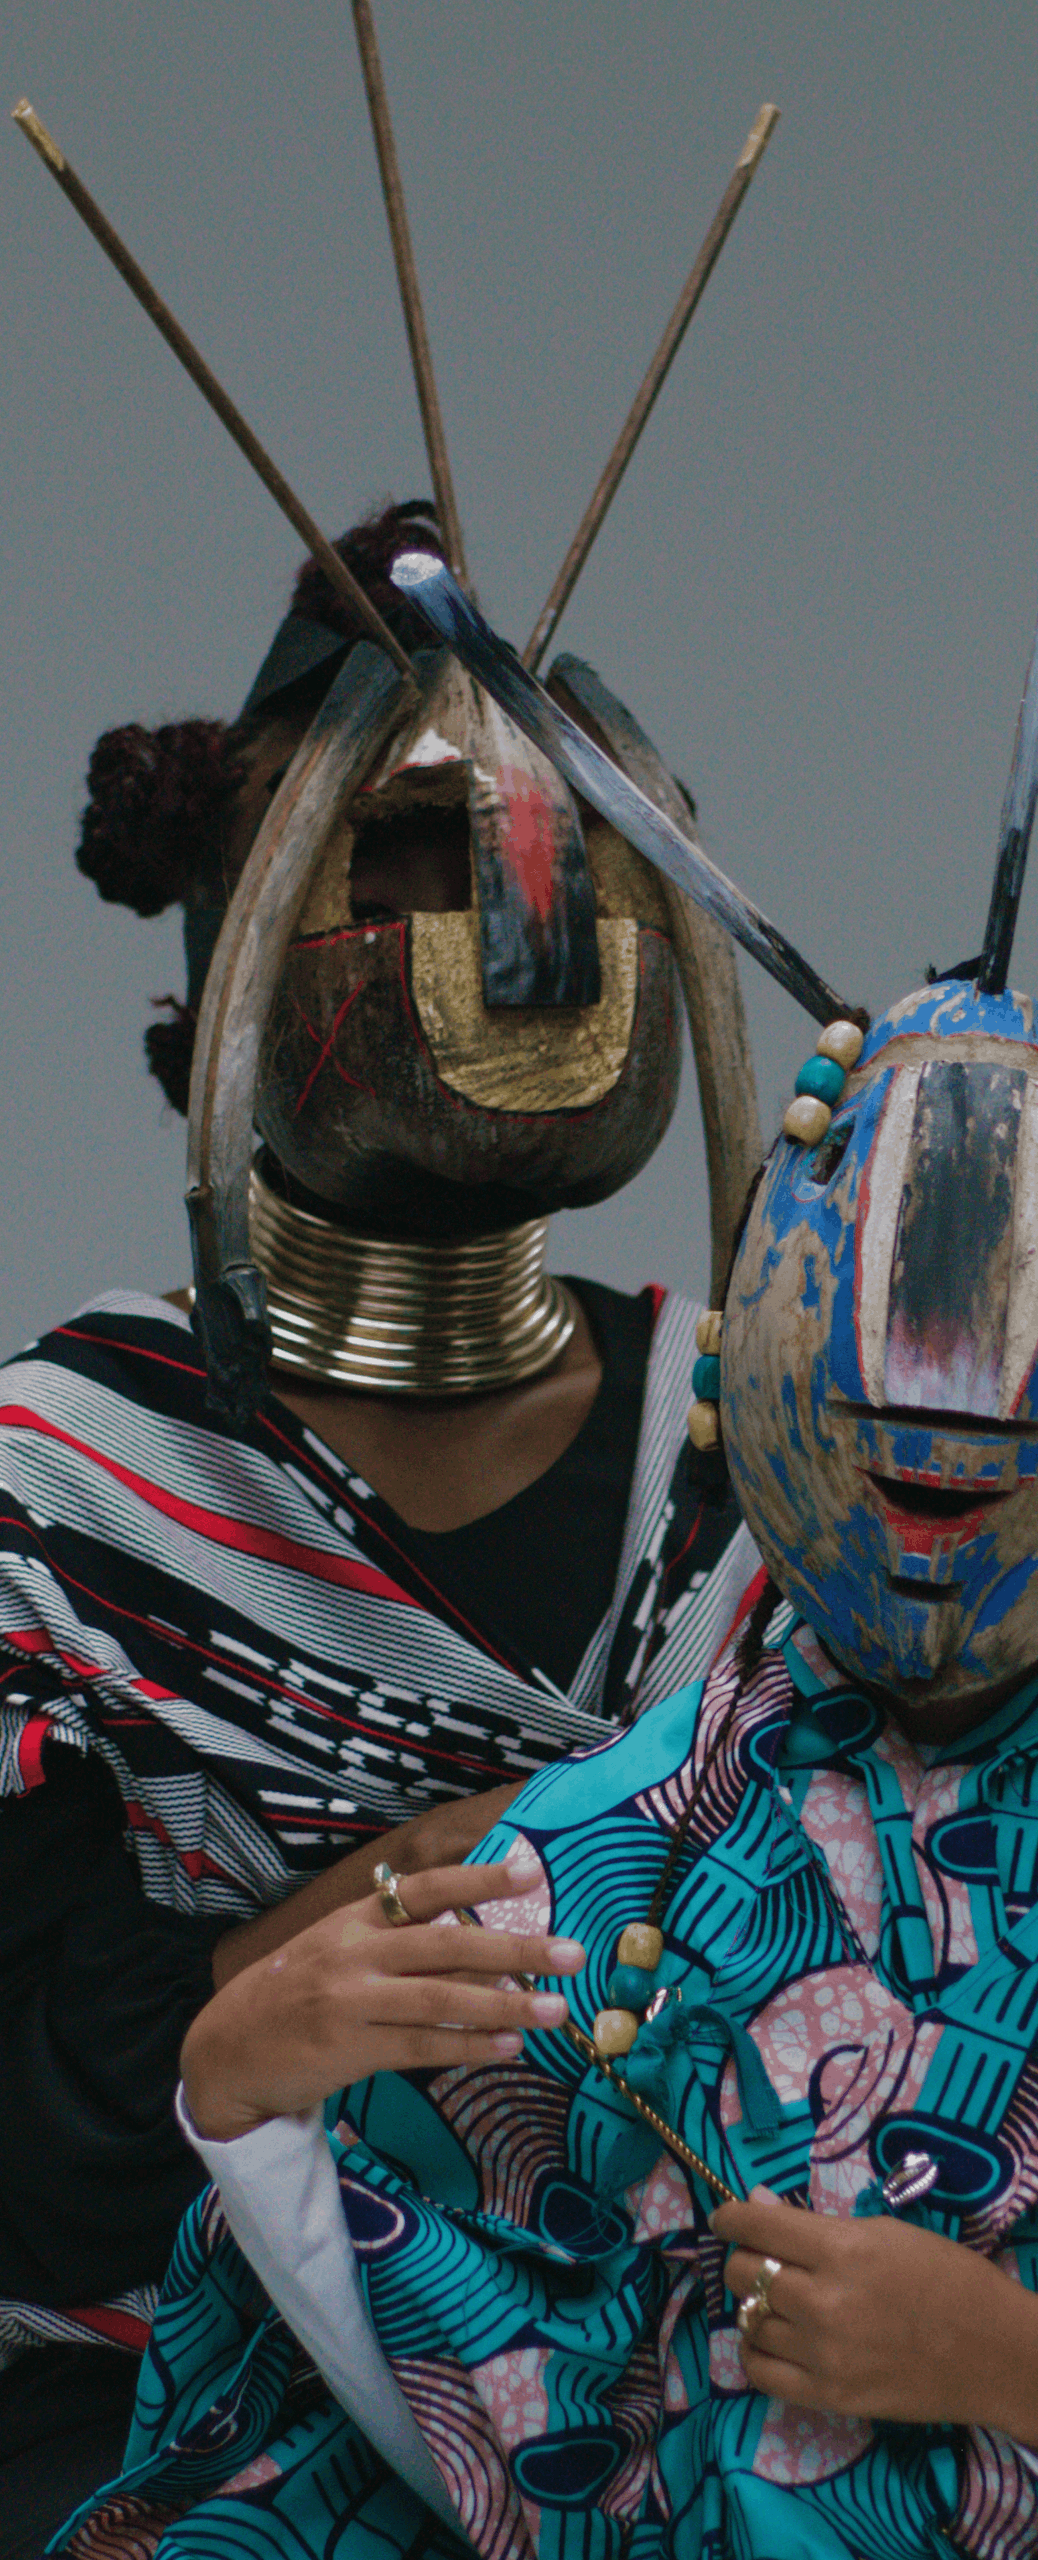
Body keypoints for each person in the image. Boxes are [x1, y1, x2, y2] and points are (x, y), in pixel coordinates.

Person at [57, 958, 1038, 2558]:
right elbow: (499, 2447)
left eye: (1003, 1449)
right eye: (870, 1419)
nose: (933, 1500)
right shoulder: (612, 1855)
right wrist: (250, 2114)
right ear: (740, 1396)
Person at [0, 501, 761, 2549]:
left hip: (709, 2400)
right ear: (243, 934)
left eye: (584, 856)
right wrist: (282, 1985)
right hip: (166, 2405)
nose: (523, 919)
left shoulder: (778, 1440)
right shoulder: (57, 1483)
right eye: (411, 856)